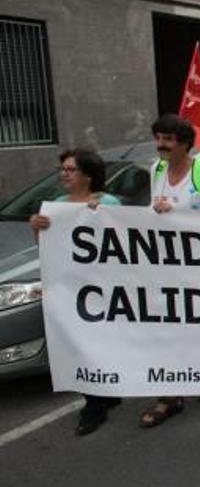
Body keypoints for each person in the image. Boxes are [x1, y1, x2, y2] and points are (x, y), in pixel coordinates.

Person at [142, 114, 200, 428]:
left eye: (167, 139)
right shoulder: (157, 170)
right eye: (158, 138)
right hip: (165, 268)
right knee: (168, 330)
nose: (160, 145)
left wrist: (178, 216)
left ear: (184, 143)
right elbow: (148, 215)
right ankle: (170, 394)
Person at [29, 149, 122, 436]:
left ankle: (104, 395)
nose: (64, 174)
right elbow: (49, 247)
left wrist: (101, 218)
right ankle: (93, 404)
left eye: (70, 170)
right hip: (71, 290)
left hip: (102, 289)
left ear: (88, 175)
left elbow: (122, 243)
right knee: (79, 346)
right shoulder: (57, 205)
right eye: (63, 169)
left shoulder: (108, 202)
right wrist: (37, 226)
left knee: (99, 343)